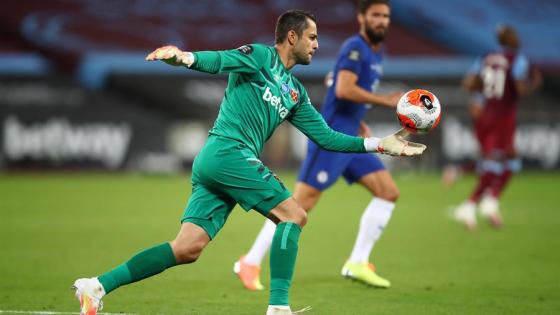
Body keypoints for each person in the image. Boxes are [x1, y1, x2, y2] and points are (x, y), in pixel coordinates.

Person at [71, 10, 426, 315]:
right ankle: (278, 307)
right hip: (228, 152)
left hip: (220, 162)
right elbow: (220, 59)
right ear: (292, 37)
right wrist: (184, 58)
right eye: (312, 37)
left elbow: (327, 137)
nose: (317, 45)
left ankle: (96, 287)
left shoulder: (294, 92)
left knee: (187, 248)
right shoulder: (259, 56)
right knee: (295, 214)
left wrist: (383, 145)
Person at [234, 0, 404, 291]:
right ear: (361, 17)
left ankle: (358, 262)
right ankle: (249, 261)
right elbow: (343, 89)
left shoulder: (377, 51)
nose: (382, 20)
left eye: (386, 16)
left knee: (388, 192)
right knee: (298, 206)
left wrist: (360, 122)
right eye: (375, 14)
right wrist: (388, 100)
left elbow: (342, 93)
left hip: (352, 138)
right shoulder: (355, 47)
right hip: (331, 140)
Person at [453, 25, 541, 230]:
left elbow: (468, 84)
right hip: (503, 117)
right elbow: (519, 89)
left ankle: (490, 202)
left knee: (511, 158)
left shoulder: (485, 58)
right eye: (515, 35)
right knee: (494, 162)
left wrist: (484, 89)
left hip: (485, 114)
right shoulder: (517, 60)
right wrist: (534, 84)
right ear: (510, 39)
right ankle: (469, 205)